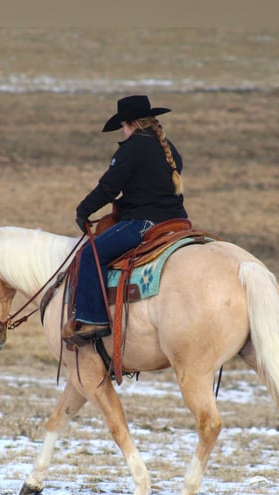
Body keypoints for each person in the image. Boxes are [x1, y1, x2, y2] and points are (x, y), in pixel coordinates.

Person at [63, 94, 188, 344]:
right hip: (176, 222)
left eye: (122, 126)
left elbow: (108, 187)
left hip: (144, 223)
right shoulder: (168, 147)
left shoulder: (132, 149)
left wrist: (83, 210)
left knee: (89, 255)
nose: (123, 130)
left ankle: (92, 319)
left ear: (129, 123)